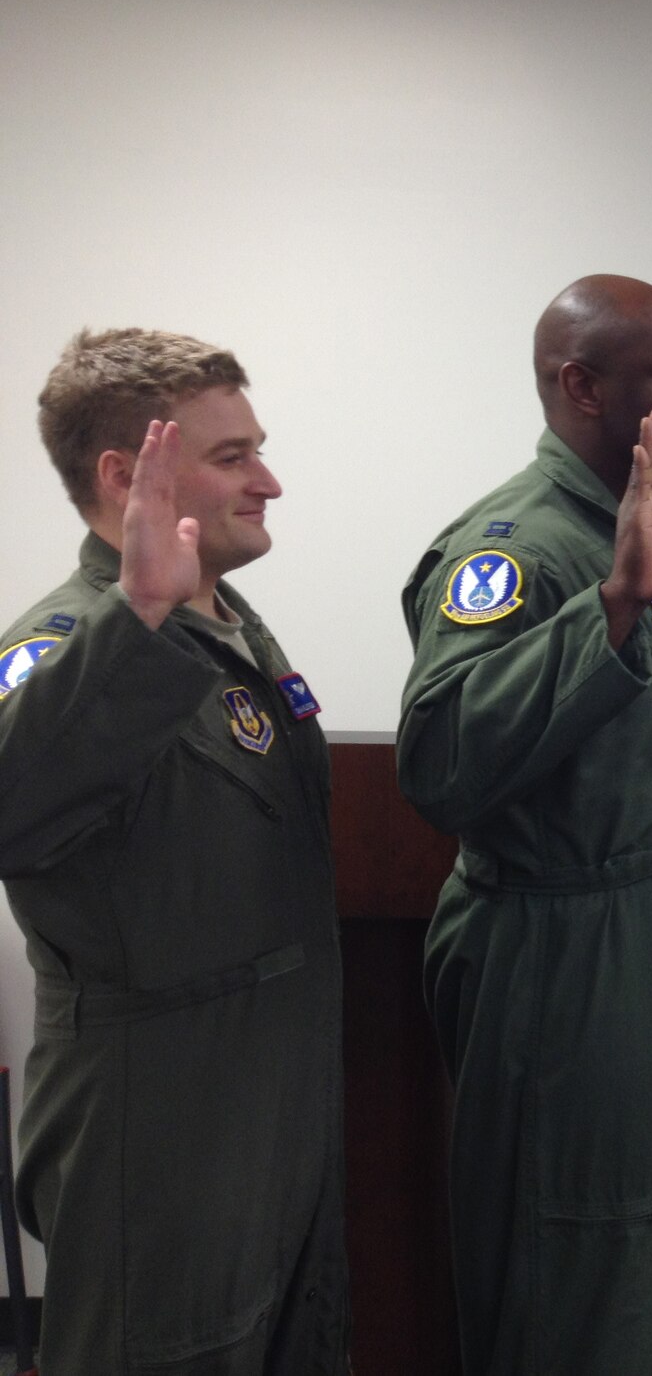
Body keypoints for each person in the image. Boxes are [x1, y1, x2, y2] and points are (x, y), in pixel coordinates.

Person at [397, 276, 652, 1376]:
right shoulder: (520, 549)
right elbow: (441, 760)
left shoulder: (640, 529)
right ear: (582, 388)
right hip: (565, 964)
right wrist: (610, 613)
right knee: (574, 1267)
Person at [0, 329, 348, 1374]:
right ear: (125, 474)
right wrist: (139, 612)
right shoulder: (68, 642)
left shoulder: (226, 621)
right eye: (233, 455)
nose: (269, 480)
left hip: (268, 1099)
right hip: (154, 1119)